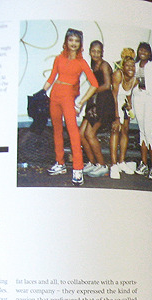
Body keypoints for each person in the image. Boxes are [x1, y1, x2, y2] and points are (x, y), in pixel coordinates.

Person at [42, 28, 98, 186]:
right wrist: (41, 93)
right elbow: (52, 78)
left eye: (77, 41)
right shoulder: (59, 58)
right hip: (55, 95)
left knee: (73, 133)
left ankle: (78, 168)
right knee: (57, 130)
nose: (73, 43)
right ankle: (60, 163)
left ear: (80, 43)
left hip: (68, 98)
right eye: (71, 40)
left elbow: (94, 84)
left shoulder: (81, 62)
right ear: (66, 42)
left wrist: (80, 103)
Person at [79, 40, 114, 178]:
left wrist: (92, 91)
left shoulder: (104, 65)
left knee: (90, 134)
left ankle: (102, 165)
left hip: (104, 103)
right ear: (89, 51)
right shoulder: (93, 65)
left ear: (102, 53)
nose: (95, 54)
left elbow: (107, 85)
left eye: (98, 51)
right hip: (94, 102)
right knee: (81, 134)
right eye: (93, 51)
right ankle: (92, 163)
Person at [131, 42, 152, 181]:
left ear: (149, 53)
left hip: (150, 100)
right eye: (140, 50)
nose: (142, 52)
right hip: (138, 99)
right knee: (142, 132)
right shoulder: (135, 65)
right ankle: (143, 164)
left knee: (148, 132)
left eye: (145, 50)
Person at [109, 54, 138, 179]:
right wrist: (116, 117)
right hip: (113, 103)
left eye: (133, 65)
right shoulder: (118, 75)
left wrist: (129, 107)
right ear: (122, 67)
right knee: (115, 130)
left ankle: (121, 162)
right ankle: (113, 165)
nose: (131, 68)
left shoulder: (135, 80)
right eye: (128, 65)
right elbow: (114, 96)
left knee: (125, 131)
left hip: (123, 104)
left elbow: (128, 95)